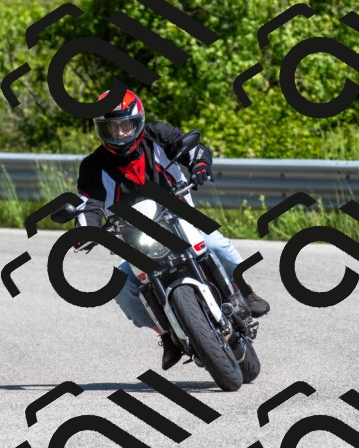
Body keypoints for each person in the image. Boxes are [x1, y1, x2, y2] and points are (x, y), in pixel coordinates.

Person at [73, 89, 270, 370]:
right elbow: (88, 205)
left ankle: (245, 291)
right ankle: (166, 334)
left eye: (125, 125)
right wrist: (85, 231)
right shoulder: (92, 166)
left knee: (215, 244)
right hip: (134, 236)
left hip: (179, 215)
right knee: (122, 288)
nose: (120, 133)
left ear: (138, 121)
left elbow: (192, 148)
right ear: (100, 129)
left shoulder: (157, 134)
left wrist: (199, 164)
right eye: (112, 128)